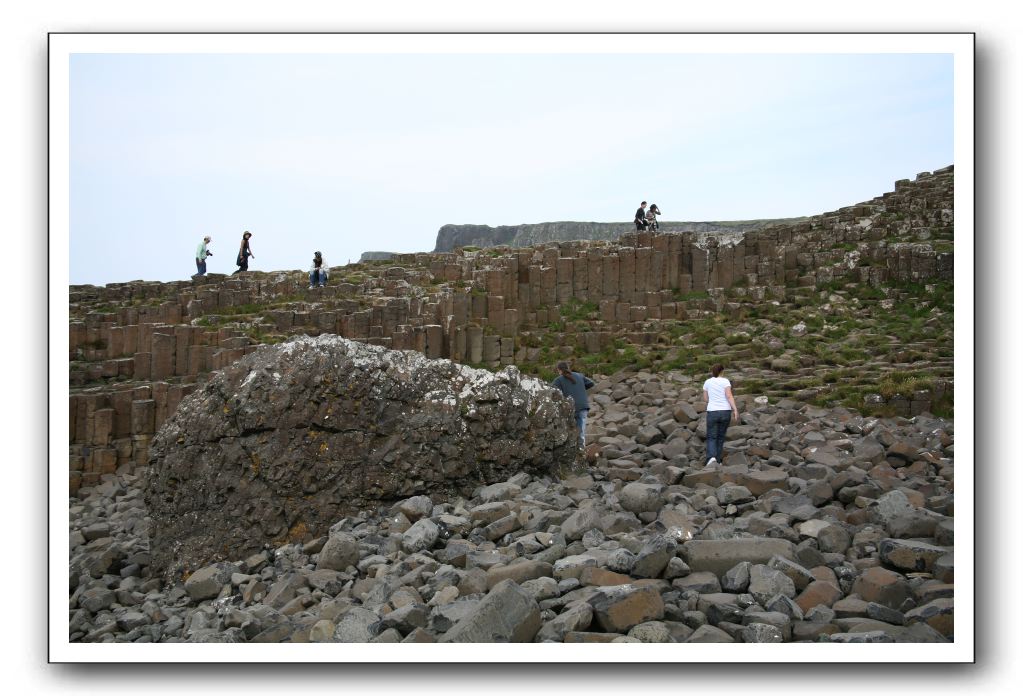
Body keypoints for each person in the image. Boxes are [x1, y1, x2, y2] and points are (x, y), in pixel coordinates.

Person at [551, 360, 596, 450]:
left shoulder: (558, 380)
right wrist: (582, 388)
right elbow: (591, 383)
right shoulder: (579, 375)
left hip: (570, 408)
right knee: (581, 429)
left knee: (570, 429)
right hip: (583, 406)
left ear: (559, 370)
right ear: (568, 368)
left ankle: (576, 450)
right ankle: (581, 449)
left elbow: (551, 391)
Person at [702, 363, 739, 466]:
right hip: (725, 411)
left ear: (712, 371)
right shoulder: (725, 381)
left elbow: (705, 399)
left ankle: (711, 458)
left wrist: (713, 401)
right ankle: (717, 460)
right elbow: (729, 396)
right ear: (722, 371)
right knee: (721, 436)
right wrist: (735, 410)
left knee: (711, 436)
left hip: (712, 411)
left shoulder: (707, 382)